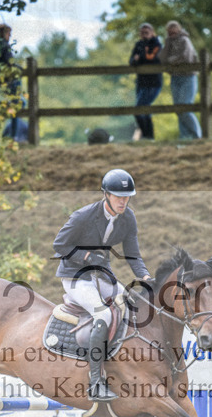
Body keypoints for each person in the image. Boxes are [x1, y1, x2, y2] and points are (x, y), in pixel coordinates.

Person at [53, 169, 153, 401]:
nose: (123, 201)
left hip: (102, 275)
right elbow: (59, 245)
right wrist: (86, 257)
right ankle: (96, 382)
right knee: (104, 315)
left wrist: (146, 277)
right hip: (76, 276)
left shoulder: (128, 218)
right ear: (106, 194)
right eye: (118, 196)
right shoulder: (83, 216)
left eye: (127, 197)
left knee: (131, 304)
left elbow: (133, 254)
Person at [163, 20, 201, 140]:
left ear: (179, 30)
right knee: (178, 109)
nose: (172, 33)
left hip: (188, 77)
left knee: (185, 108)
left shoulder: (185, 40)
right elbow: (162, 58)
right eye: (170, 32)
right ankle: (185, 137)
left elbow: (185, 57)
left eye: (174, 31)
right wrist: (167, 43)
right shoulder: (169, 43)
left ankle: (196, 135)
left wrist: (170, 61)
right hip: (175, 77)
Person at [129, 23, 162, 140]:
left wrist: (140, 58)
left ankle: (147, 136)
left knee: (138, 110)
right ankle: (149, 137)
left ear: (152, 33)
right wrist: (136, 60)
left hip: (153, 82)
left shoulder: (157, 44)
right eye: (142, 33)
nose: (144, 35)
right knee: (145, 110)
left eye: (146, 32)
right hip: (141, 82)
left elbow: (153, 59)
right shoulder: (138, 44)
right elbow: (132, 61)